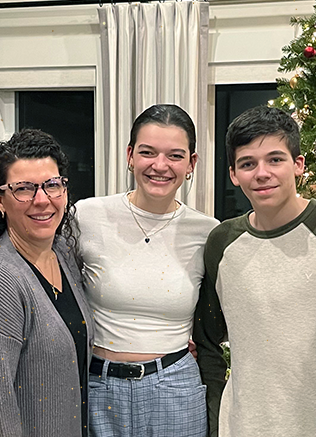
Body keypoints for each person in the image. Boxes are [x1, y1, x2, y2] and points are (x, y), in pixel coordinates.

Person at [193, 105, 316, 436]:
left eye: (275, 159)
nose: (262, 173)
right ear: (234, 174)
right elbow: (208, 344)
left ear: (298, 165)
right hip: (242, 428)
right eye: (247, 164)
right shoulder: (222, 242)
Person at [75, 104, 218, 437]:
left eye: (175, 156)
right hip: (97, 387)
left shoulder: (208, 232)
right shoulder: (87, 216)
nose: (160, 165)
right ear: (130, 155)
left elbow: (217, 319)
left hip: (175, 389)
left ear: (191, 163)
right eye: (148, 152)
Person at [0, 130, 93, 437]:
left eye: (51, 185)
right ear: (0, 200)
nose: (42, 200)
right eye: (24, 189)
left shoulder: (62, 252)